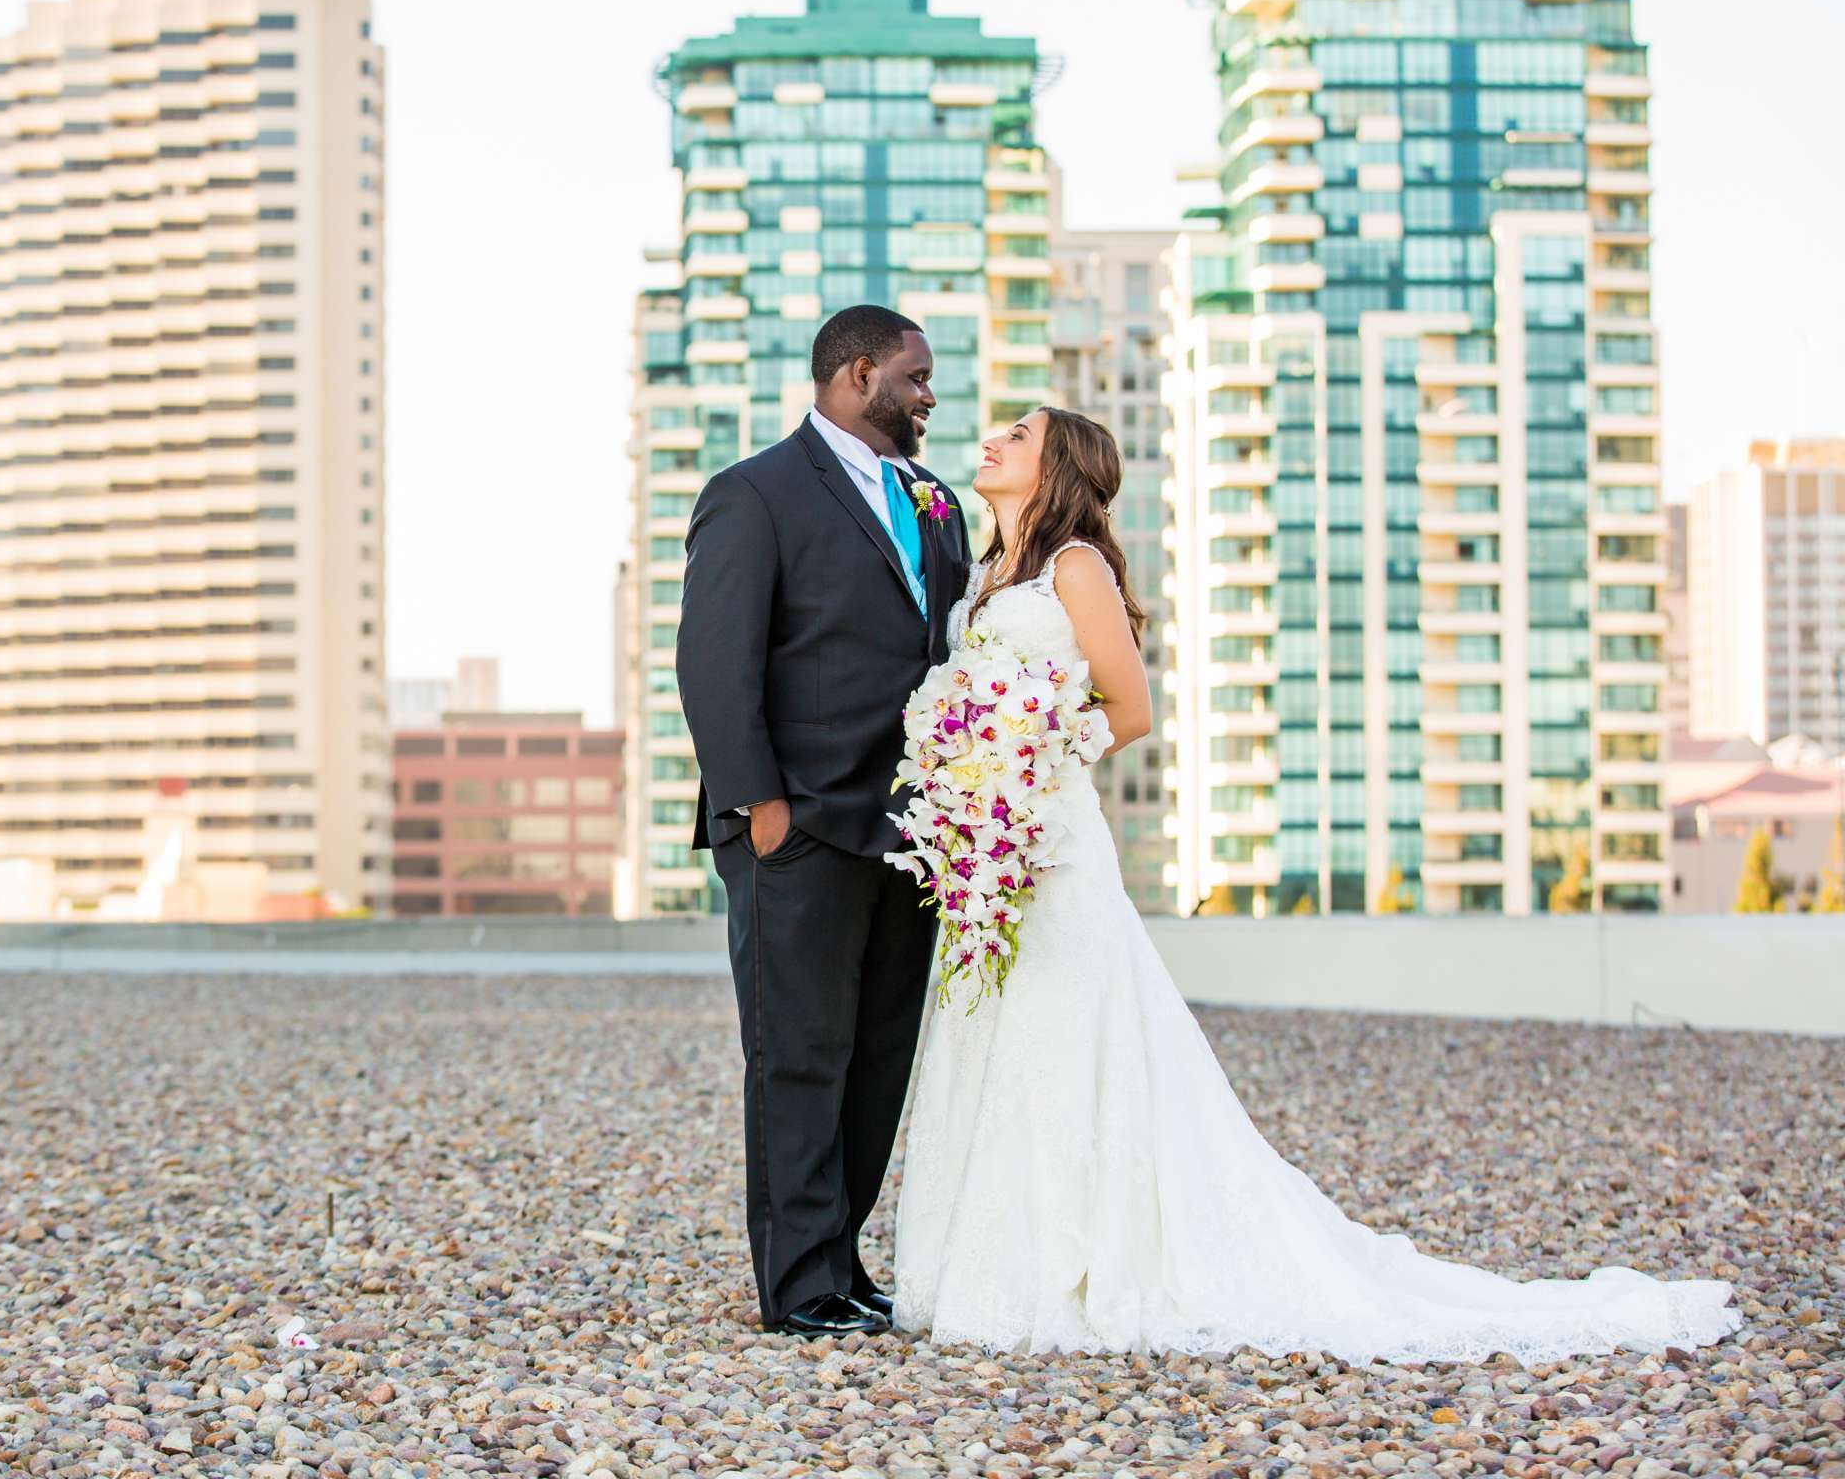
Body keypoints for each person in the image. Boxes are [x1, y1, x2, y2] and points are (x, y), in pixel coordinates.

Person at [889, 405, 1739, 1363]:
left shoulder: (1073, 567)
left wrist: (1023, 764)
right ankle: (989, 1262)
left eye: (1021, 431)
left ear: (1061, 465)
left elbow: (1129, 709)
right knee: (992, 1029)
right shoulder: (983, 575)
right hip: (988, 846)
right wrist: (967, 780)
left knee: (1067, 1032)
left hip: (1050, 837)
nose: (993, 437)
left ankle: (1081, 1269)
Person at [676, 305, 973, 1337]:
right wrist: (762, 809)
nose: (930, 395)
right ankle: (797, 1284)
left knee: (878, 1054)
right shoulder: (752, 493)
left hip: (912, 828)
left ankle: (842, 1264)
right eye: (916, 377)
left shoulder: (938, 504)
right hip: (797, 826)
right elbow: (714, 664)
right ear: (857, 374)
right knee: (799, 1054)